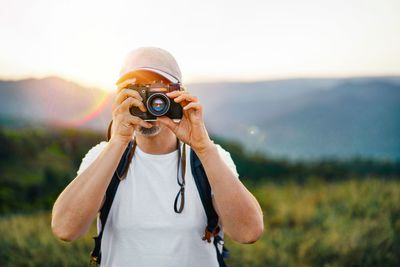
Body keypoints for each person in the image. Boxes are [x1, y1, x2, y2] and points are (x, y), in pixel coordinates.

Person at [51, 47, 264, 266]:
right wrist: (118, 141)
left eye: (158, 91)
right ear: (119, 97)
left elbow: (248, 233)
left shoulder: (210, 158)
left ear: (179, 95)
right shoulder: (103, 157)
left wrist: (203, 148)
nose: (149, 102)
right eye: (136, 90)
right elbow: (65, 229)